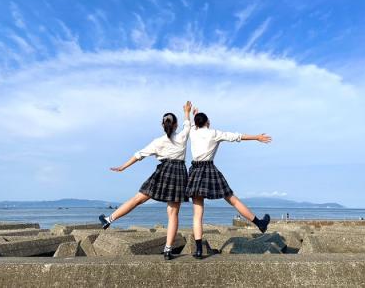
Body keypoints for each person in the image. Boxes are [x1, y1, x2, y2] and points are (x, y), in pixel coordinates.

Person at [98, 101, 192, 260]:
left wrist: (123, 167)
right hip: (179, 174)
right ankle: (168, 250)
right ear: (175, 125)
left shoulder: (158, 141)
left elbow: (139, 155)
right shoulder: (182, 136)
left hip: (163, 172)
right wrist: (187, 112)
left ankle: (109, 219)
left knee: (137, 199)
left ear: (162, 125)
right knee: (173, 213)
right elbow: (187, 125)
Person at [186, 109, 272, 259]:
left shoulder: (192, 132)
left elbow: (188, 125)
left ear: (196, 123)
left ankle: (199, 250)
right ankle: (259, 223)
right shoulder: (214, 133)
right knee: (233, 200)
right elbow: (236, 136)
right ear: (207, 122)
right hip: (209, 169)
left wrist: (189, 114)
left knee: (197, 214)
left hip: (195, 171)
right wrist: (256, 137)